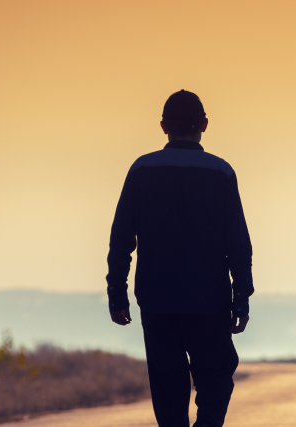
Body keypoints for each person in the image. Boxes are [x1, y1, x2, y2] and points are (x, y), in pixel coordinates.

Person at [106, 90, 253, 427]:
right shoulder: (221, 173)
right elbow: (238, 243)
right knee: (215, 382)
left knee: (168, 392)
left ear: (163, 126)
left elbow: (121, 238)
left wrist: (117, 293)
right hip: (209, 302)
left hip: (157, 303)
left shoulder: (142, 170)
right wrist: (241, 298)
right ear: (203, 124)